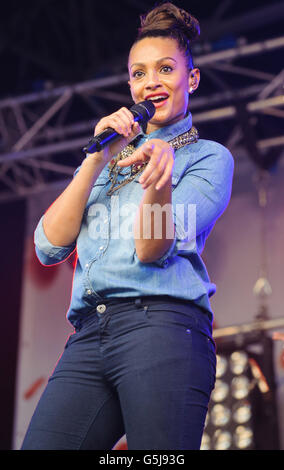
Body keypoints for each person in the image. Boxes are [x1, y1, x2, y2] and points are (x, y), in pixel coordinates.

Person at [21, 2, 234, 450]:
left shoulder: (207, 158)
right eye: (138, 73)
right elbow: (47, 245)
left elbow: (150, 249)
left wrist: (159, 178)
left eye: (165, 69)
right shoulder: (110, 160)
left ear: (191, 79)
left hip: (162, 326)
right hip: (89, 333)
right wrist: (95, 157)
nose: (150, 82)